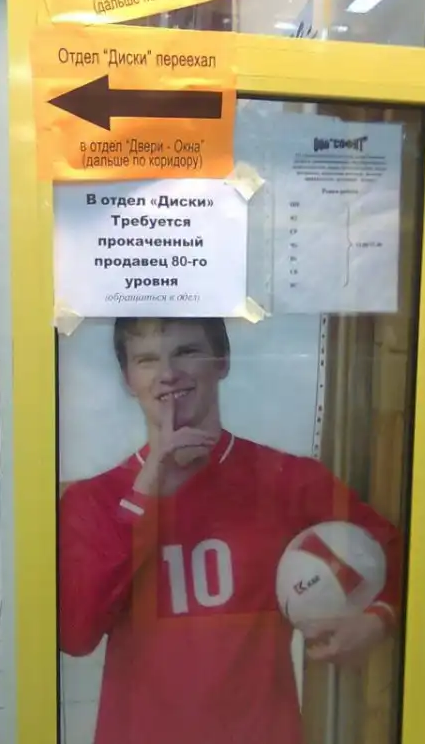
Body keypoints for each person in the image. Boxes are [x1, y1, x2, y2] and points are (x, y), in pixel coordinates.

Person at [59, 317, 400, 744]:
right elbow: (76, 633)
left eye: (187, 352)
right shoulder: (93, 501)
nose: (168, 373)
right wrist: (145, 493)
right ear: (128, 379)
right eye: (146, 360)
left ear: (222, 361)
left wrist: (378, 619)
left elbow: (394, 551)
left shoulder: (286, 480)